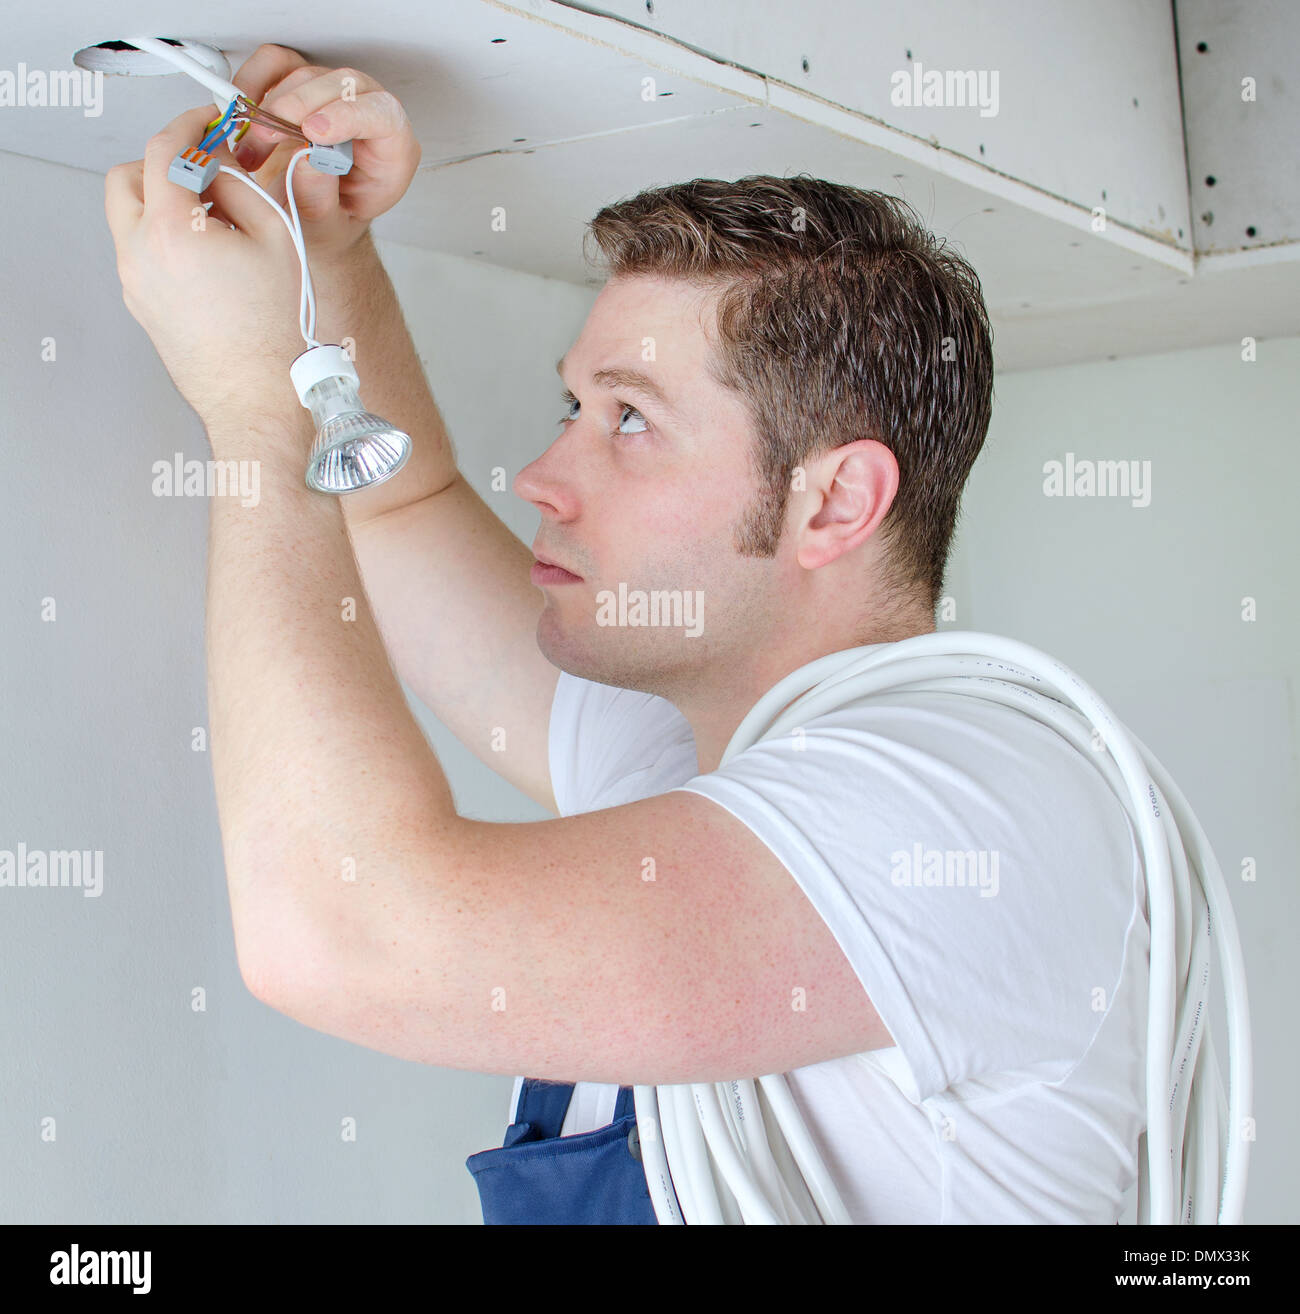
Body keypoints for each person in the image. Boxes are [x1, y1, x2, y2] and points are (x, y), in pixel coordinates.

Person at [106, 44, 1148, 1225]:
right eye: (575, 406)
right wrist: (322, 249)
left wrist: (250, 417)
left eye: (631, 420)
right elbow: (398, 502)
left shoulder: (957, 812)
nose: (544, 474)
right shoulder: (680, 754)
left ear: (835, 502)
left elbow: (337, 930)